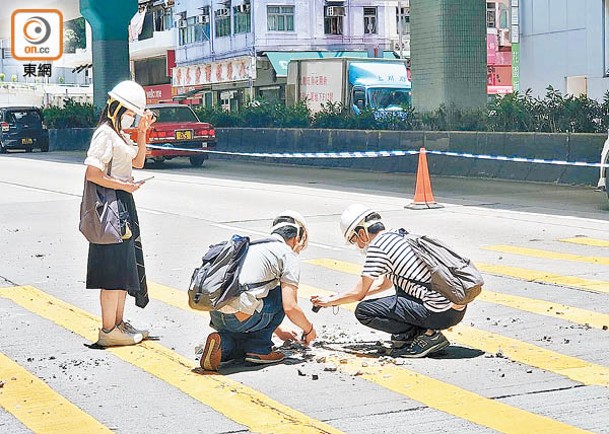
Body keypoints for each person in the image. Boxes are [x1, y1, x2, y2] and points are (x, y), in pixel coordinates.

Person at [311, 205, 467, 358]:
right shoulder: (398, 235)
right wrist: (337, 297)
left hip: (439, 313)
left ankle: (426, 335)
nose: (357, 246)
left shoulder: (377, 248)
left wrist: (329, 302)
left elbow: (359, 294)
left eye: (353, 240)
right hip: (454, 308)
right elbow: (384, 284)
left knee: (364, 311)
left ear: (362, 233)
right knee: (400, 287)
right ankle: (418, 334)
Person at [84, 80, 156, 347]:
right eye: (129, 113)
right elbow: (92, 173)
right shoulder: (104, 134)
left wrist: (142, 132)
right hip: (109, 207)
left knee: (124, 268)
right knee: (112, 269)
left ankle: (118, 324)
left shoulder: (119, 134)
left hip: (123, 203)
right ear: (116, 108)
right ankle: (108, 330)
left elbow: (137, 162)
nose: (131, 117)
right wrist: (124, 185)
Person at [199, 211, 317, 371]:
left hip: (217, 315)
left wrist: (280, 331)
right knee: (279, 293)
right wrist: (309, 330)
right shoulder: (287, 254)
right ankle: (260, 350)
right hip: (242, 317)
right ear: (297, 238)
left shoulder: (253, 246)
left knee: (238, 344)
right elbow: (290, 307)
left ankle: (222, 342)